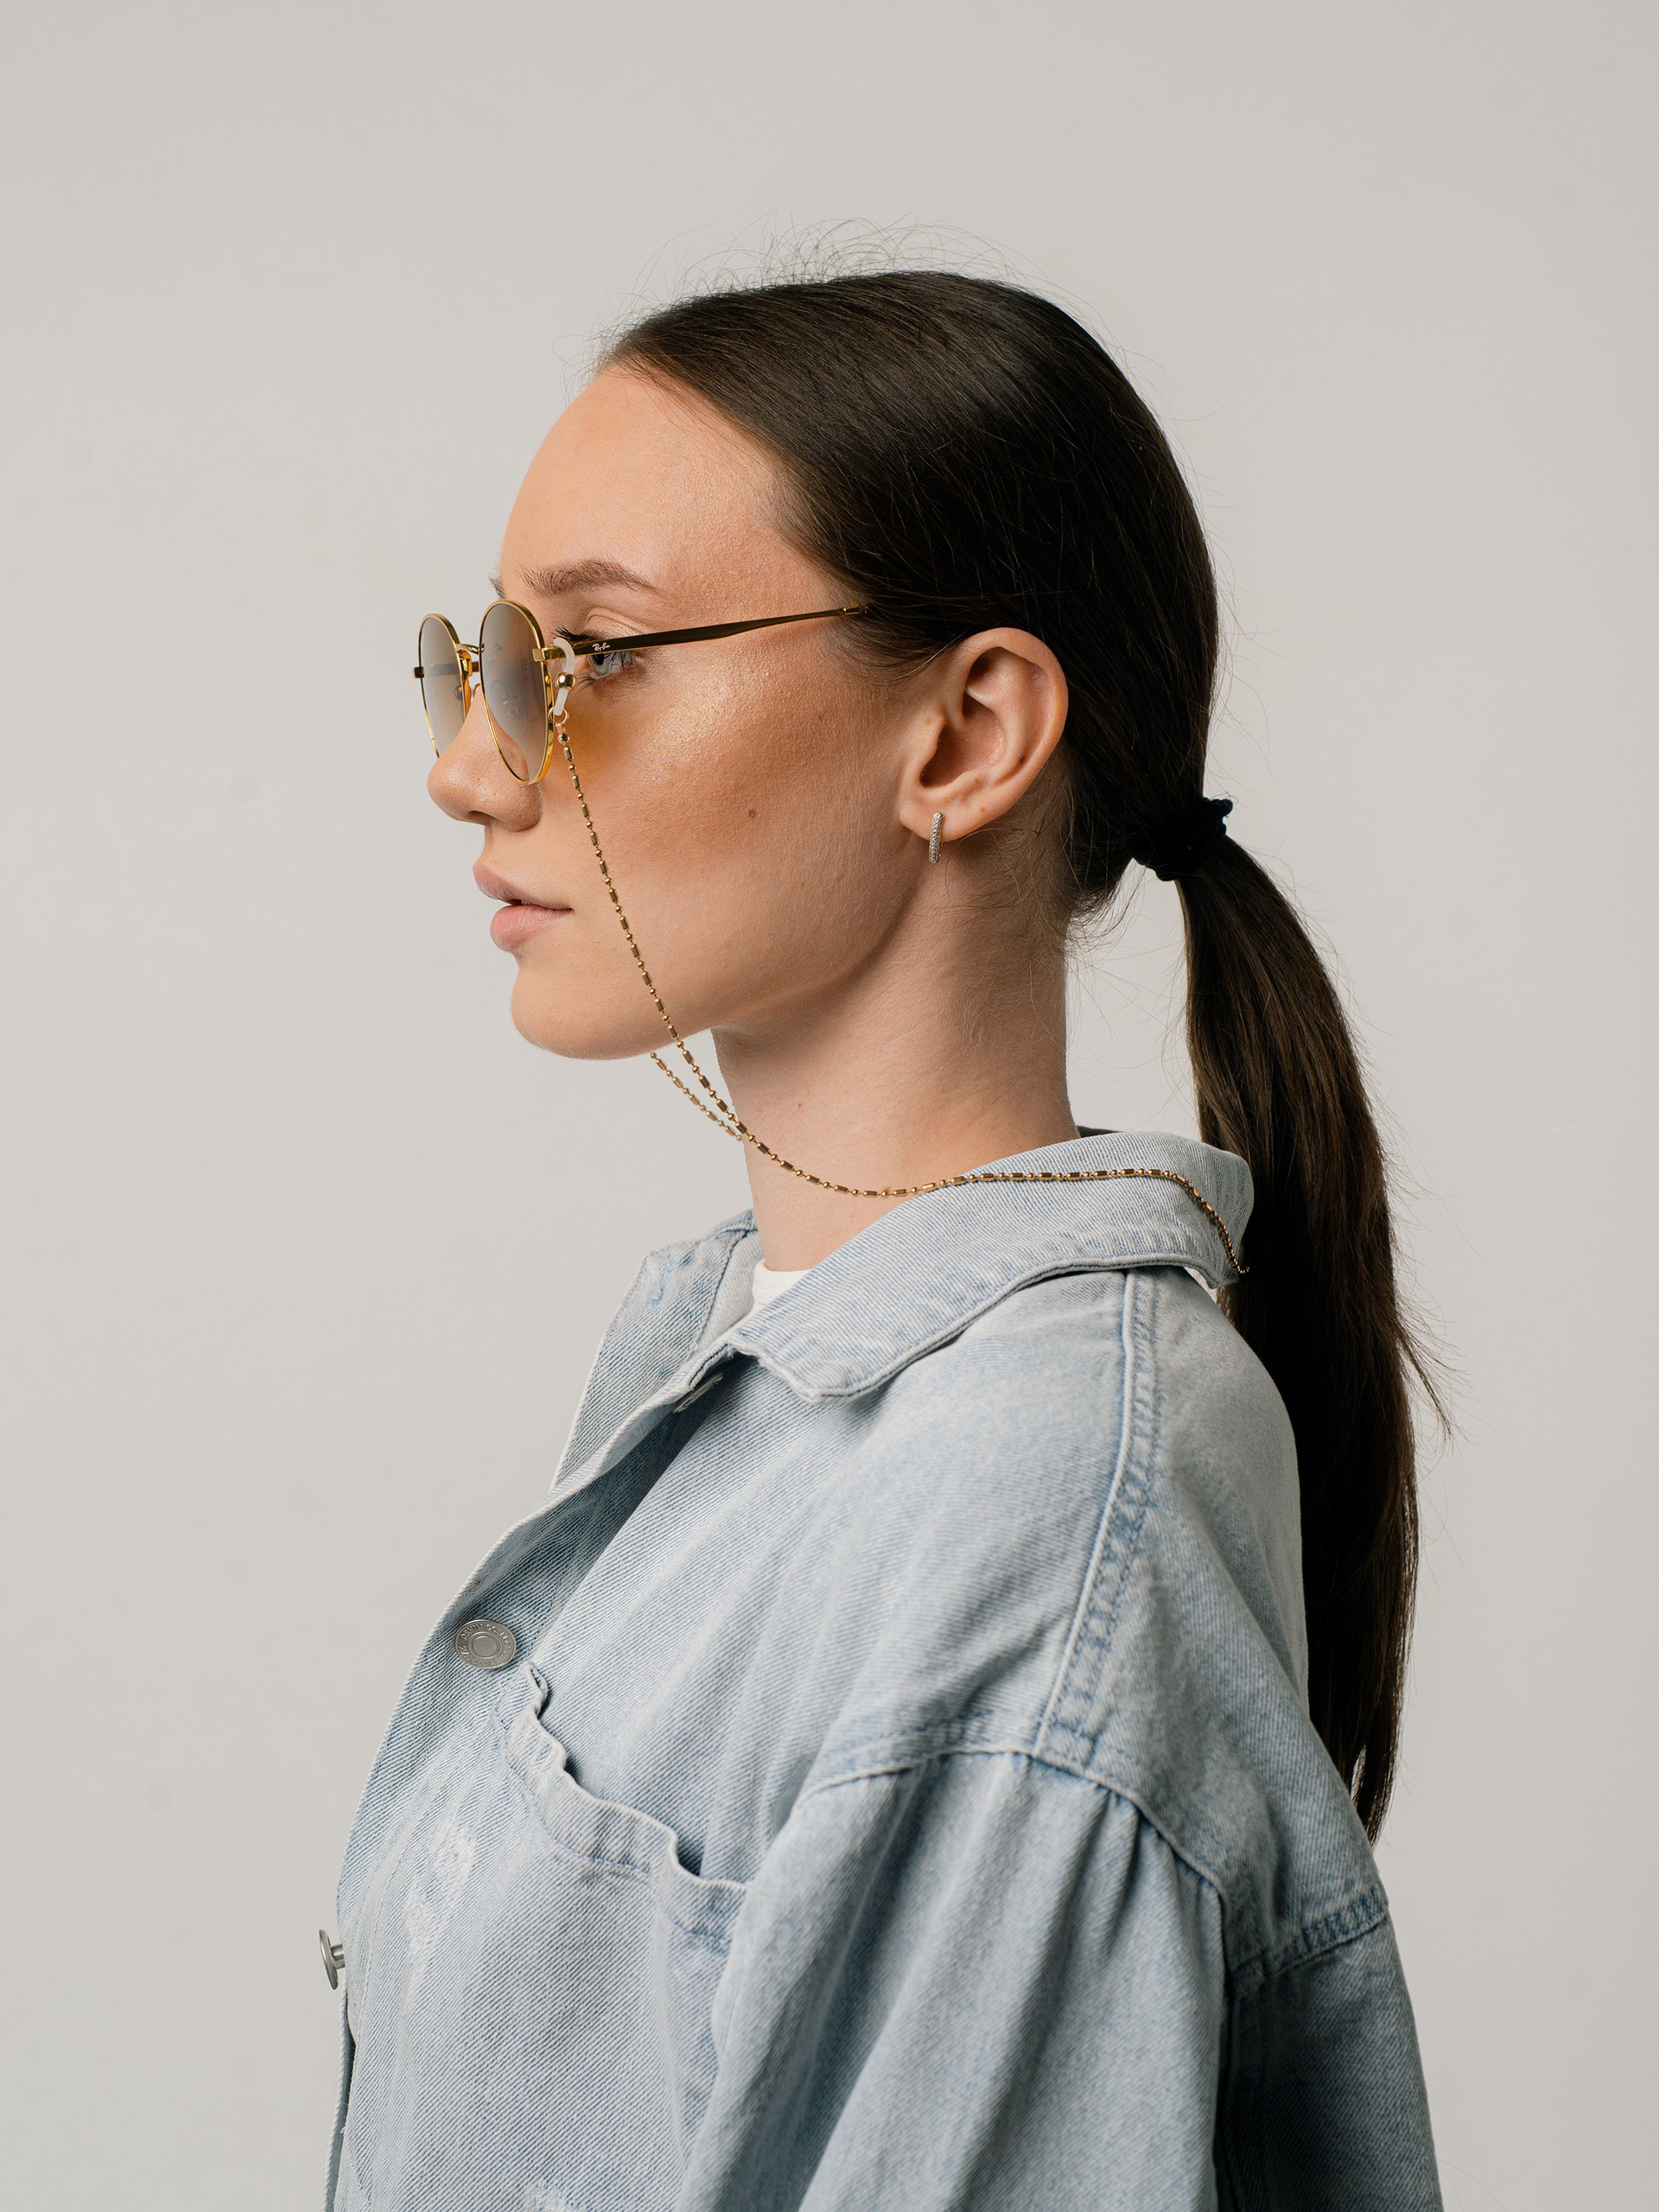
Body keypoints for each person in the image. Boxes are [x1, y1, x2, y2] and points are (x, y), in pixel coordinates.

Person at [323, 270, 1443, 2210]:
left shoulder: (1029, 1508)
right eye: (487, 654)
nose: (471, 764)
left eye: (592, 656)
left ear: (966, 733)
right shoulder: (762, 1366)